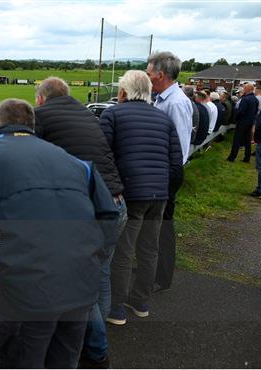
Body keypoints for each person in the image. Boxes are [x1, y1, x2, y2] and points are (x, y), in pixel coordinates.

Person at [0, 98, 119, 369]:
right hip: (79, 289)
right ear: (32, 126)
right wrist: (90, 259)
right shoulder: (73, 161)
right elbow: (109, 215)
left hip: (24, 296)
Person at [34, 77, 126, 368]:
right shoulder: (86, 113)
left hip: (88, 211)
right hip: (116, 205)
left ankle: (96, 353)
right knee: (99, 274)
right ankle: (95, 345)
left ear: (40, 99)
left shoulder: (40, 117)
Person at [100, 70, 182, 324]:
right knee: (149, 249)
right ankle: (140, 301)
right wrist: (166, 189)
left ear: (123, 92)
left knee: (123, 251)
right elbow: (176, 162)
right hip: (159, 194)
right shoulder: (163, 118)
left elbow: (103, 156)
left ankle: (116, 308)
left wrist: (114, 189)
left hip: (130, 192)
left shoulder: (112, 114)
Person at [146, 51, 192, 292]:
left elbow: (181, 147)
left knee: (163, 226)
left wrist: (167, 177)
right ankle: (154, 269)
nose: (146, 77)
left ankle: (162, 278)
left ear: (160, 75)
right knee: (154, 225)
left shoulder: (175, 102)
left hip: (167, 174)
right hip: (162, 172)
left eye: (148, 74)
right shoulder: (163, 98)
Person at [227, 83, 259, 162]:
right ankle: (247, 157)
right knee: (247, 140)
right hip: (250, 121)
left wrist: (236, 117)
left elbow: (241, 111)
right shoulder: (255, 99)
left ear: (247, 89)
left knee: (237, 140)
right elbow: (255, 111)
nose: (243, 90)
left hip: (242, 122)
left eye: (244, 88)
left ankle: (232, 157)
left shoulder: (245, 99)